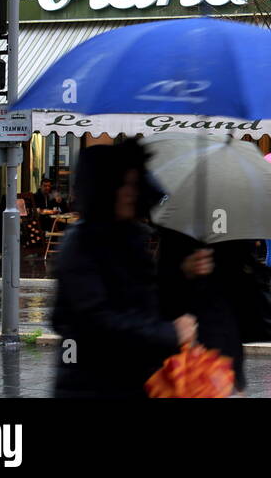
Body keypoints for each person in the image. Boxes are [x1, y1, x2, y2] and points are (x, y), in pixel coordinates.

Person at [50, 141, 195, 398]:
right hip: (92, 386)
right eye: (123, 185)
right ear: (105, 189)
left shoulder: (130, 238)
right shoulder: (82, 244)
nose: (130, 193)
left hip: (132, 380)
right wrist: (168, 333)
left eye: (133, 184)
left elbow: (146, 302)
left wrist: (182, 272)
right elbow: (96, 321)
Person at [156, 231, 259, 394]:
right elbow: (161, 282)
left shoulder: (237, 230)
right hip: (192, 338)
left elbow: (248, 279)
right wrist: (184, 269)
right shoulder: (177, 231)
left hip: (225, 336)